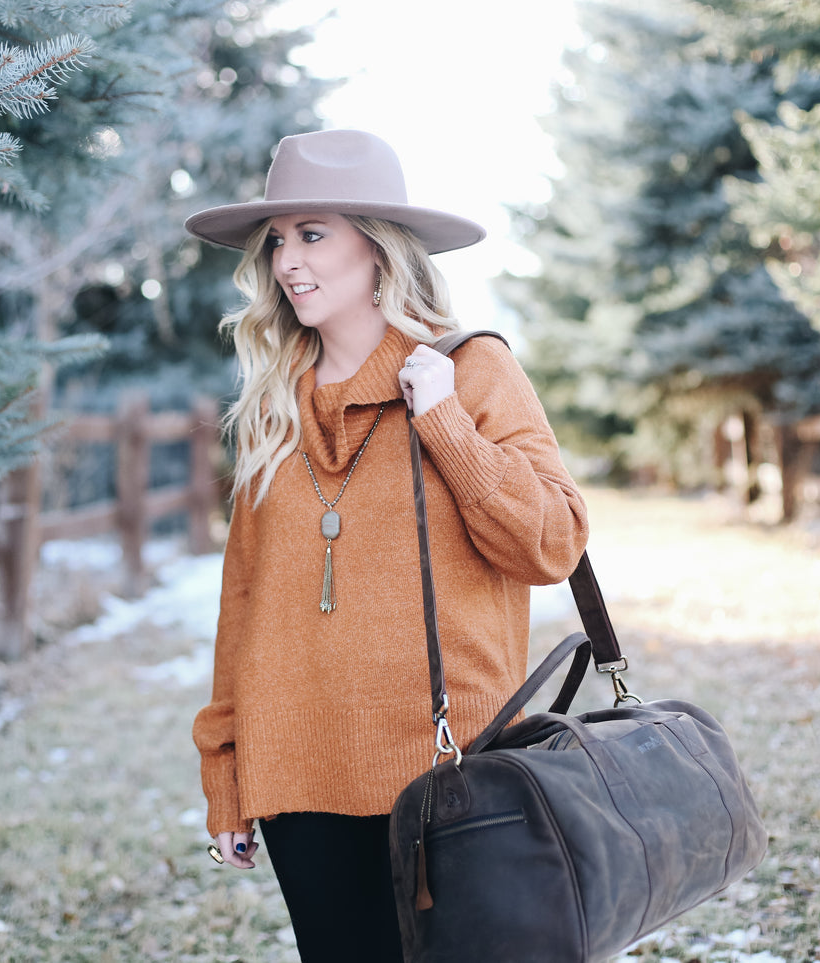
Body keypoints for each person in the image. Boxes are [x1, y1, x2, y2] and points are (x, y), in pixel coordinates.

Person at [185, 129, 588, 962]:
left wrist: (444, 422)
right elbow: (244, 604)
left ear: (378, 246)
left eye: (312, 233)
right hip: (297, 773)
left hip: (448, 770)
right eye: (276, 239)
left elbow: (551, 545)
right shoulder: (272, 408)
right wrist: (225, 773)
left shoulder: (470, 370)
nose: (287, 260)